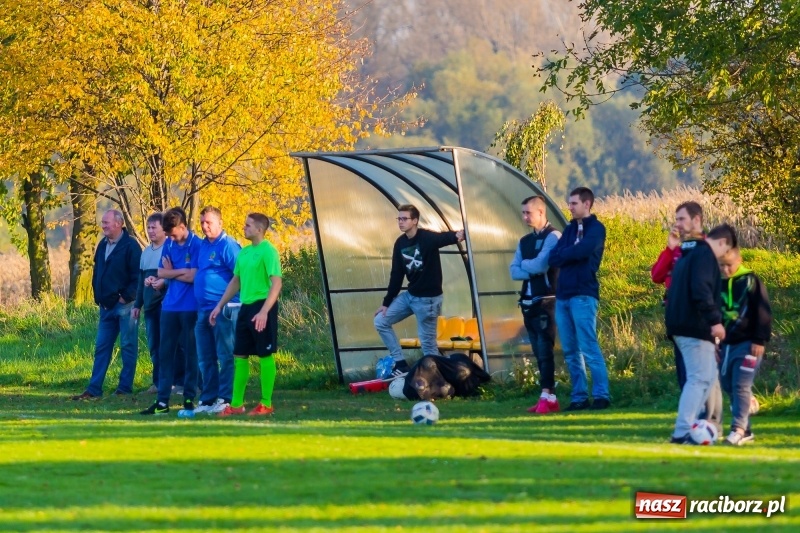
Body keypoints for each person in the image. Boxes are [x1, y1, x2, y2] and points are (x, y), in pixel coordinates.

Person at [374, 204, 465, 375]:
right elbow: (396, 274)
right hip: (411, 296)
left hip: (428, 300)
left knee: (428, 344)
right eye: (398, 218)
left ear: (415, 221)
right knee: (381, 321)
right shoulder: (400, 243)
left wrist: (460, 234)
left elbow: (445, 238)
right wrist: (386, 303)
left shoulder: (427, 238)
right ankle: (400, 364)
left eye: (404, 218)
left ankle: (443, 377)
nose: (400, 222)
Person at [666, 224, 736, 444]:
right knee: (698, 379)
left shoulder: (689, 254)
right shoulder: (705, 254)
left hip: (680, 323)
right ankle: (683, 430)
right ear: (723, 243)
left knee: (706, 377)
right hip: (694, 326)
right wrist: (715, 321)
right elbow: (701, 289)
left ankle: (696, 426)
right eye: (726, 251)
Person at [210, 213, 282, 416]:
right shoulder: (244, 253)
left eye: (248, 225)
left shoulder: (268, 251)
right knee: (239, 355)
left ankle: (266, 403)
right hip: (245, 307)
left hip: (262, 306)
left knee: (265, 354)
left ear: (259, 229)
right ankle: (236, 405)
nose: (244, 227)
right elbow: (236, 281)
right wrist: (219, 306)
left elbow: (276, 283)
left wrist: (264, 312)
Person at [548, 187, 611, 411]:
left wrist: (569, 253)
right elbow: (553, 256)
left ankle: (602, 395)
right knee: (570, 350)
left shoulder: (596, 229)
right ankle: (579, 397)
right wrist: (570, 252)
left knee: (588, 346)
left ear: (587, 204)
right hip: (563, 296)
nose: (570, 207)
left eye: (574, 203)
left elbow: (583, 251)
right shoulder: (568, 230)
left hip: (583, 294)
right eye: (569, 203)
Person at [72, 210, 142, 400]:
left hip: (125, 307)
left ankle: (124, 388)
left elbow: (138, 277)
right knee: (102, 347)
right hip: (105, 307)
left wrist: (124, 297)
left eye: (106, 223)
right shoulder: (103, 245)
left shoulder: (131, 246)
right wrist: (98, 297)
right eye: (102, 223)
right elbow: (98, 273)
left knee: (128, 346)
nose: (103, 226)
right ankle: (94, 389)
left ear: (118, 224)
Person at [140, 207, 201, 415]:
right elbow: (161, 272)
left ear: (182, 226)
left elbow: (193, 277)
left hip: (190, 306)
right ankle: (162, 402)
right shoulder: (169, 245)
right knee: (165, 353)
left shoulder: (197, 245)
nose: (171, 238)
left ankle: (189, 399)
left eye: (173, 233)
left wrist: (171, 272)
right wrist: (179, 272)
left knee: (191, 353)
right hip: (169, 306)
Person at [509, 195, 562, 414]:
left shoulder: (554, 236)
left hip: (547, 301)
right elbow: (513, 271)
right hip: (528, 303)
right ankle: (549, 398)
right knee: (537, 352)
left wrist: (526, 265)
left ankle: (546, 395)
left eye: (528, 212)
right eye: (523, 213)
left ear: (541, 212)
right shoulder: (524, 241)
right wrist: (529, 266)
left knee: (545, 350)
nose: (524, 217)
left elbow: (541, 266)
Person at [716, 237, 772, 445]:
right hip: (727, 345)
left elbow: (763, 312)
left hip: (749, 344)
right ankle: (747, 427)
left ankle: (738, 429)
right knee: (728, 383)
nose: (725, 270)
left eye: (729, 265)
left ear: (738, 261)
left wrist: (759, 339)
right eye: (721, 266)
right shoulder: (718, 283)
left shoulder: (751, 281)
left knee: (740, 384)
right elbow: (715, 315)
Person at [193, 206, 242, 414]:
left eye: (209, 222)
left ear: (220, 223)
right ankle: (208, 399)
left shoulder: (228, 246)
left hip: (224, 310)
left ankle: (226, 398)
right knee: (205, 357)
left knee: (225, 354)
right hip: (203, 310)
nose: (205, 226)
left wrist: (221, 305)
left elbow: (239, 277)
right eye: (202, 222)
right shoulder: (202, 246)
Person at [651, 201, 705, 390]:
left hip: (697, 317)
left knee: (698, 371)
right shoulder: (676, 250)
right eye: (676, 219)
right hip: (676, 315)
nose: (677, 224)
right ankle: (691, 414)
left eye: (682, 219)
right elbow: (656, 275)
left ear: (696, 220)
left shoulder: (705, 248)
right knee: (682, 370)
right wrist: (669, 249)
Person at [132, 213, 185, 394]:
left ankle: (179, 382)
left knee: (173, 344)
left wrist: (163, 281)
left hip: (168, 305)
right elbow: (141, 282)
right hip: (150, 307)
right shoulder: (146, 252)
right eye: (149, 228)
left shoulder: (170, 249)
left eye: (154, 227)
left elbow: (177, 275)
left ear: (164, 229)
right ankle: (158, 382)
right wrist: (137, 305)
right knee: (154, 345)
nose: (150, 231)